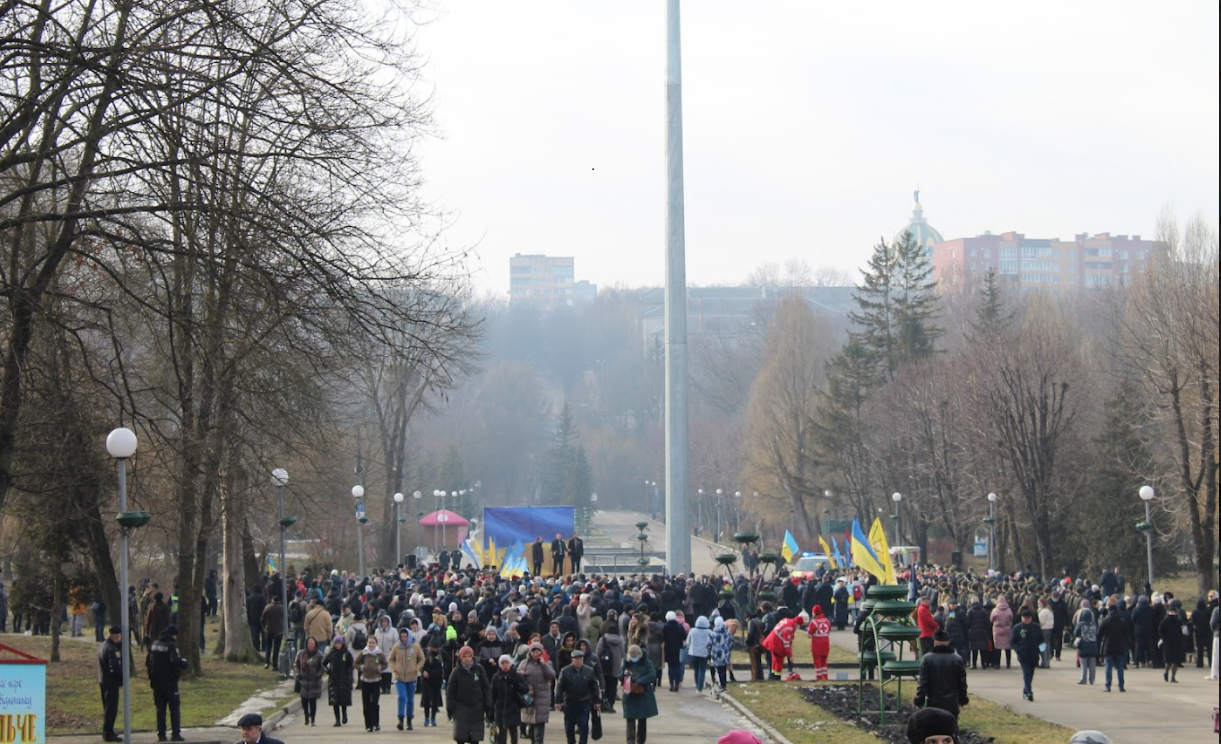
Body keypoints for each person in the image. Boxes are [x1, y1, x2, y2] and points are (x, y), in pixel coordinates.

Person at [146, 624, 189, 742]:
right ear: (173, 635)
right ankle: (175, 734)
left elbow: (148, 662)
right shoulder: (171, 646)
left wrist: (151, 678)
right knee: (174, 708)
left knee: (160, 709)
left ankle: (161, 734)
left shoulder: (154, 644)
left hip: (156, 682)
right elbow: (175, 660)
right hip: (170, 683)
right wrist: (184, 663)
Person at [915, 630, 968, 721]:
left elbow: (923, 682)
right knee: (951, 727)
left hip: (933, 701)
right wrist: (963, 699)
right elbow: (962, 682)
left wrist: (919, 701)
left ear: (935, 642)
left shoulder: (927, 659)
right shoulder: (957, 659)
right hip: (952, 702)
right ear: (948, 642)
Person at [447, 645, 492, 744]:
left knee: (475, 736)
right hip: (461, 706)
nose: (467, 659)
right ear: (460, 658)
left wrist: (488, 705)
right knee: (461, 735)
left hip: (477, 707)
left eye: (469, 656)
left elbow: (486, 687)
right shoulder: (456, 672)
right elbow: (450, 691)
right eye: (464, 656)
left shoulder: (479, 669)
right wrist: (449, 707)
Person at [555, 649, 601, 744]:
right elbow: (559, 686)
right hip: (569, 702)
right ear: (572, 660)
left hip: (584, 702)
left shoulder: (589, 671)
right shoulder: (565, 671)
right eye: (576, 659)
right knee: (569, 727)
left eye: (580, 658)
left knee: (584, 725)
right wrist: (557, 701)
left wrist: (597, 701)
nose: (579, 661)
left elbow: (595, 687)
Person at [519, 641, 556, 744]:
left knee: (539, 729)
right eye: (534, 651)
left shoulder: (547, 663)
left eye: (538, 651)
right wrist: (522, 675)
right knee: (531, 728)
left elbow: (552, 676)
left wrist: (544, 664)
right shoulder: (524, 663)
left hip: (542, 698)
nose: (536, 654)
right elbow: (517, 679)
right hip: (529, 698)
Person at [389, 627, 425, 730]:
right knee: (402, 697)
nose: (403, 638)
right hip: (399, 677)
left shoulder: (416, 647)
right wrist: (394, 668)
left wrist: (416, 668)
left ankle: (409, 719)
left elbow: (422, 659)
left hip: (411, 677)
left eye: (405, 636)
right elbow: (391, 659)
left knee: (410, 700)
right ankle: (401, 719)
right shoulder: (397, 647)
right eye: (402, 637)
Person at [621, 644, 657, 744]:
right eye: (632, 656)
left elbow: (652, 675)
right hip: (630, 696)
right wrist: (625, 675)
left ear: (640, 655)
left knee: (642, 721)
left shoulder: (647, 663)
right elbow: (619, 674)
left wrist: (640, 680)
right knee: (630, 720)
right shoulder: (626, 663)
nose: (634, 658)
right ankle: (630, 741)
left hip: (643, 695)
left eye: (635, 656)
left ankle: (641, 741)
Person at [490, 654, 530, 744]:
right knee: (502, 733)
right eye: (502, 663)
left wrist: (516, 683)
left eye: (507, 663)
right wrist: (491, 709)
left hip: (513, 707)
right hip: (500, 708)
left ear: (510, 664)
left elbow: (525, 689)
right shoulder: (496, 677)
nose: (505, 665)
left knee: (513, 731)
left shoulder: (517, 676)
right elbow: (492, 694)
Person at [355, 635, 388, 731]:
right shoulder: (364, 653)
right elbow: (355, 663)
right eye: (369, 642)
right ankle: (368, 725)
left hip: (376, 681)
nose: (371, 644)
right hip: (365, 681)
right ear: (367, 643)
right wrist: (361, 667)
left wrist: (379, 668)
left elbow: (385, 663)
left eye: (373, 642)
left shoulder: (379, 654)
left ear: (376, 644)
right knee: (366, 704)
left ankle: (376, 723)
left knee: (374, 703)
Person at [1011, 608, 1044, 702]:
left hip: (1034, 654)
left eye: (1028, 618)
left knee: (1031, 674)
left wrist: (1042, 652)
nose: (1026, 620)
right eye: (1024, 618)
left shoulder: (1036, 627)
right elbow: (1013, 642)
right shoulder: (1017, 628)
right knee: (1026, 673)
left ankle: (1025, 691)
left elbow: (1042, 641)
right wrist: (1018, 650)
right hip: (1023, 655)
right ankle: (1029, 692)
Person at [97, 626, 124, 742]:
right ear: (118, 636)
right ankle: (108, 733)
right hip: (111, 682)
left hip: (103, 680)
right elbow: (114, 667)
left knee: (107, 707)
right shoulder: (112, 649)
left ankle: (108, 731)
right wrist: (122, 678)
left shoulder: (102, 645)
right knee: (111, 709)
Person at [1096, 599, 1128, 692]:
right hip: (1120, 646)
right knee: (1120, 667)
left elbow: (1099, 634)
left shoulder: (1105, 621)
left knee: (1108, 666)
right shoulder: (1122, 621)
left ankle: (1108, 685)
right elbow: (1126, 633)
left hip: (1108, 646)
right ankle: (1121, 686)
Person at [323, 635, 354, 726]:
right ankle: (337, 719)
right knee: (334, 700)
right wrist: (327, 671)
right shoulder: (331, 653)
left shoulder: (347, 653)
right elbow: (323, 663)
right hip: (334, 679)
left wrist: (348, 671)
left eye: (339, 643)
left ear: (342, 643)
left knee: (343, 700)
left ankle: (344, 715)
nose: (337, 645)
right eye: (336, 643)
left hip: (344, 680)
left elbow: (351, 664)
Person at [294, 636, 326, 726]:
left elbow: (323, 667)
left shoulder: (319, 655)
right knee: (304, 700)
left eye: (312, 643)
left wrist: (318, 675)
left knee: (312, 701)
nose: (310, 645)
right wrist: (298, 673)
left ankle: (313, 718)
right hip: (303, 681)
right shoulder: (301, 654)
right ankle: (306, 716)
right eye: (309, 643)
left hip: (314, 682)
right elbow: (296, 665)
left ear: (315, 644)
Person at [419, 642, 446, 728]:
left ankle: (433, 718)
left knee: (435, 699)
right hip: (427, 679)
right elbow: (419, 662)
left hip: (437, 679)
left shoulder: (441, 653)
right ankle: (426, 717)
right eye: (433, 648)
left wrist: (444, 670)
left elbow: (448, 661)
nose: (435, 649)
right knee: (427, 698)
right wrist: (423, 671)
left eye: (436, 648)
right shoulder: (425, 652)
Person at [1158, 599, 1185, 683]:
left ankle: (1172, 676)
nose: (1173, 614)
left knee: (1175, 662)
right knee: (1170, 661)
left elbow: (1182, 631)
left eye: (1174, 612)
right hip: (1170, 643)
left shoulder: (1177, 621)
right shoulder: (1165, 621)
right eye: (1172, 612)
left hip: (1175, 643)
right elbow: (1160, 631)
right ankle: (1167, 672)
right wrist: (1164, 639)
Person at [685, 615, 712, 692]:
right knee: (702, 670)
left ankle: (697, 685)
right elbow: (711, 642)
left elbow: (687, 642)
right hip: (704, 653)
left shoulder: (692, 630)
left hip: (693, 653)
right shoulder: (709, 632)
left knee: (696, 670)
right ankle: (700, 688)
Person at [1072, 607, 1098, 685]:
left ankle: (1083, 679)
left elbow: (1075, 633)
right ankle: (1092, 679)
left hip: (1083, 645)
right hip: (1093, 645)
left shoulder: (1080, 624)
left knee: (1083, 663)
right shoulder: (1094, 624)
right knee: (1092, 663)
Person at [807, 606, 831, 681]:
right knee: (824, 662)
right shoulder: (827, 621)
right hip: (826, 644)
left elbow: (809, 635)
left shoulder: (813, 622)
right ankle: (825, 677)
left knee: (817, 662)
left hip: (817, 645)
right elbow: (829, 631)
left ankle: (818, 678)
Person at [261, 594, 284, 670]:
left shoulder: (267, 607)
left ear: (272, 600)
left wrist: (264, 626)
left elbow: (263, 619)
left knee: (268, 647)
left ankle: (266, 662)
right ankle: (275, 665)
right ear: (279, 601)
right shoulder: (282, 608)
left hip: (269, 630)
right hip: (279, 630)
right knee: (276, 648)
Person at [990, 596, 1014, 669]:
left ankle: (997, 664)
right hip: (1007, 630)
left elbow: (991, 619)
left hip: (997, 630)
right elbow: (1011, 618)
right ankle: (1008, 663)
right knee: (1007, 647)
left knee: (997, 648)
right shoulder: (1009, 610)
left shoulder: (995, 610)